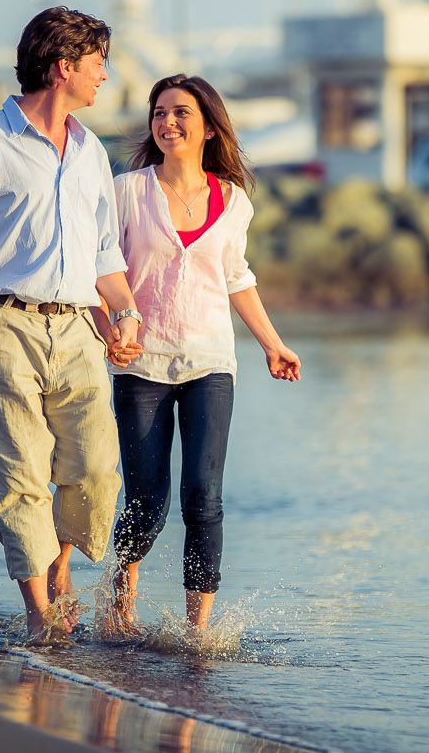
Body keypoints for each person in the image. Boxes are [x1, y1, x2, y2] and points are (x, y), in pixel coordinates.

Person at [0, 6, 144, 644]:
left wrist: (123, 315)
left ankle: (60, 568)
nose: (105, 75)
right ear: (63, 66)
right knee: (18, 474)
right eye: (98, 62)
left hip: (78, 330)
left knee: (97, 471)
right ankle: (42, 617)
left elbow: (106, 257)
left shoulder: (94, 152)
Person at [107, 74, 300, 634]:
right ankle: (122, 601)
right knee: (147, 502)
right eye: (159, 112)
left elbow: (236, 277)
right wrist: (111, 327)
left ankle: (199, 633)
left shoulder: (233, 201)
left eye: (181, 112)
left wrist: (273, 344)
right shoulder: (129, 191)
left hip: (211, 362)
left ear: (209, 127)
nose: (168, 122)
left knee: (203, 495)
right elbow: (105, 270)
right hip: (141, 363)